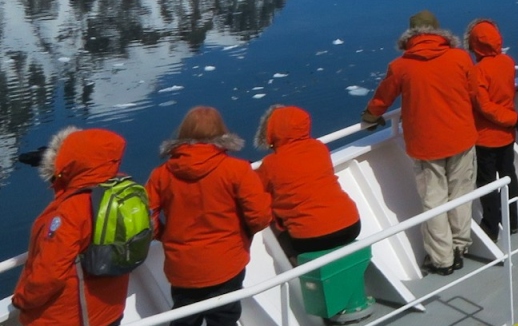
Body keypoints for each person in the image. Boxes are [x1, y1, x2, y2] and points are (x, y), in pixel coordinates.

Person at [362, 10, 479, 275]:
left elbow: (382, 99)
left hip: (426, 146)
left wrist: (370, 116)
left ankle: (443, 259)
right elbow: (473, 91)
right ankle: (461, 245)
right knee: (461, 194)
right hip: (461, 138)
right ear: (438, 32)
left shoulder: (401, 66)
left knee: (434, 201)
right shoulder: (460, 57)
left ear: (411, 36)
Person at [146, 107, 272, 326]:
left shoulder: (161, 175)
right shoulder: (237, 170)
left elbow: (145, 218)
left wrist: (164, 236)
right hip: (227, 263)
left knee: (184, 319)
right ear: (221, 133)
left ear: (183, 133)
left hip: (183, 268)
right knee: (225, 318)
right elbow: (260, 216)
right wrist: (242, 234)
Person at [254, 107, 370, 325]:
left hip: (312, 238)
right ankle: (344, 292)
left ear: (274, 132)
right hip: (350, 224)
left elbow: (257, 191)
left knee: (282, 237)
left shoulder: (271, 164)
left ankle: (315, 292)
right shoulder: (319, 148)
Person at [13, 128, 132, 326]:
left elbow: (49, 274)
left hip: (70, 317)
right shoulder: (123, 192)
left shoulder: (70, 211)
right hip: (110, 309)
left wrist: (22, 299)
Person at [465, 19, 518, 241]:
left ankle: (491, 225)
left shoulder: (477, 71)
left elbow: (483, 105)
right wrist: (511, 119)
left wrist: (508, 118)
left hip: (486, 137)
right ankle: (513, 221)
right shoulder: (507, 62)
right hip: (507, 135)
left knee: (487, 183)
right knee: (509, 175)